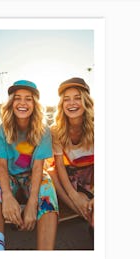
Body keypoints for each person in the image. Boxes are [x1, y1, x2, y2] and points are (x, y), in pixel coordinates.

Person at [0, 80, 59, 250]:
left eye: (28, 99)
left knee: (47, 187)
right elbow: (1, 166)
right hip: (11, 177)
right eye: (18, 98)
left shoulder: (42, 130)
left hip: (32, 177)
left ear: (35, 104)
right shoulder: (3, 129)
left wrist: (32, 204)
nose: (23, 103)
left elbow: (38, 167)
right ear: (11, 103)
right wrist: (7, 196)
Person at [48, 77, 94, 227]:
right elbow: (60, 166)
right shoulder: (56, 130)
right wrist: (74, 196)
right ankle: (83, 212)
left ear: (86, 101)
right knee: (52, 172)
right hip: (71, 178)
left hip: (93, 175)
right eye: (66, 99)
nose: (71, 103)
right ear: (62, 104)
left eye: (77, 98)